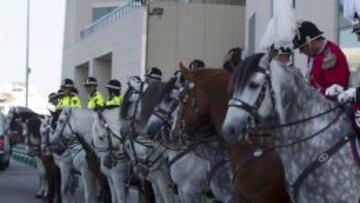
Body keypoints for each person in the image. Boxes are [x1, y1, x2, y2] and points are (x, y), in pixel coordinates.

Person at [292, 21, 350, 97]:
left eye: (302, 47)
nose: (301, 52)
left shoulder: (330, 56)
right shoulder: (314, 55)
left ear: (310, 42)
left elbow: (333, 92)